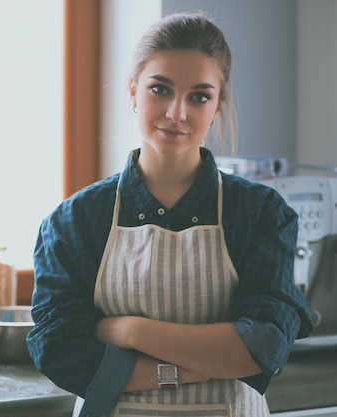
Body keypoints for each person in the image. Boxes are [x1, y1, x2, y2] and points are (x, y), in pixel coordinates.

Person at [26, 12, 314, 417]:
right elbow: (60, 351)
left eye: (199, 96)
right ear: (132, 91)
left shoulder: (259, 212)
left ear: (219, 105)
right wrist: (185, 370)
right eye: (160, 89)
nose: (177, 113)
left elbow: (263, 345)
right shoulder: (75, 220)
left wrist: (130, 330)